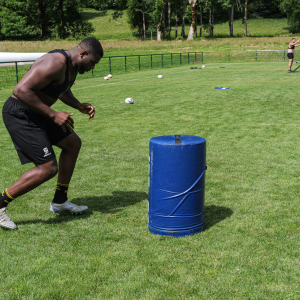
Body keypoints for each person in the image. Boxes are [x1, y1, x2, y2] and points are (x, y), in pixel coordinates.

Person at [0, 37, 103, 230]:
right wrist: (53, 114)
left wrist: (78, 105)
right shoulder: (55, 62)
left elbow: (62, 90)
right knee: (47, 168)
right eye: (92, 62)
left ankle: (60, 201)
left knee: (72, 144)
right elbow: (21, 90)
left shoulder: (72, 67)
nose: (92, 67)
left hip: (37, 112)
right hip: (20, 113)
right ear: (83, 54)